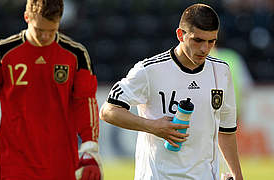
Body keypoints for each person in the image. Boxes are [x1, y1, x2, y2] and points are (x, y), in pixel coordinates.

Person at [100, 3, 243, 180]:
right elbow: (108, 111)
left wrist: (237, 175)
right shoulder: (149, 70)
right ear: (180, 35)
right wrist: (152, 126)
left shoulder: (221, 71)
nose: (205, 49)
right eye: (197, 40)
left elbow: (226, 131)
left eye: (211, 41)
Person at [0, 0, 102, 179]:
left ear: (59, 22)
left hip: (60, 160)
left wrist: (90, 146)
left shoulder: (76, 55)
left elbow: (85, 101)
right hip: (14, 160)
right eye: (39, 30)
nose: (45, 36)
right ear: (26, 17)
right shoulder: (2, 52)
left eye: (52, 31)